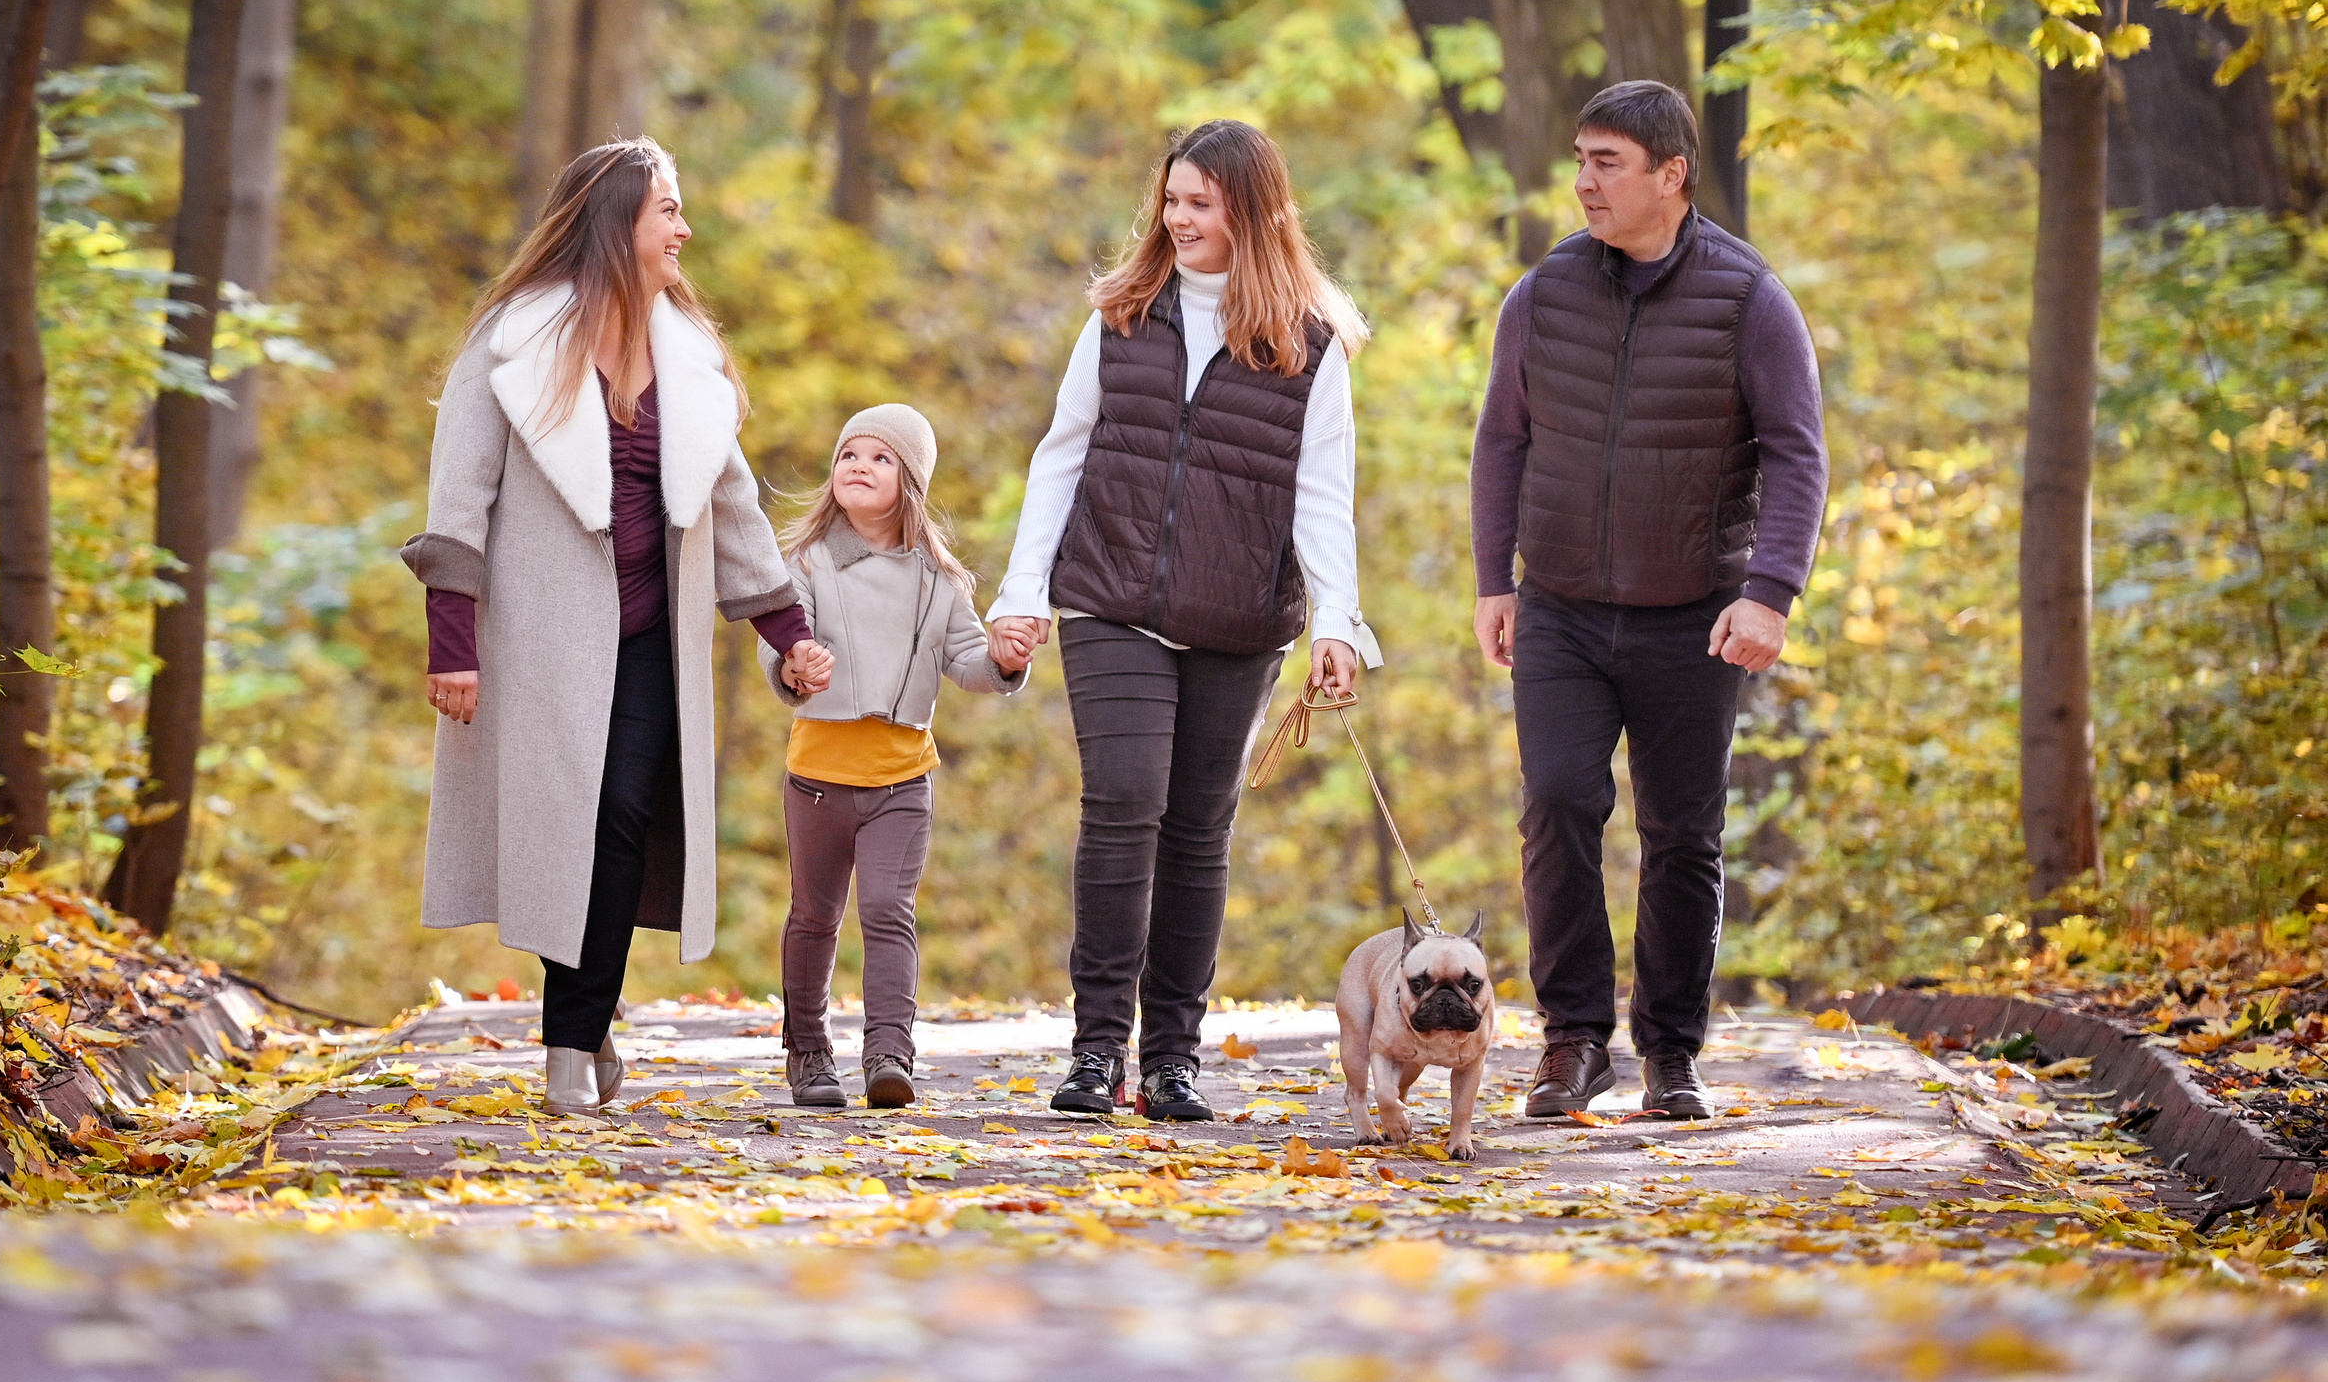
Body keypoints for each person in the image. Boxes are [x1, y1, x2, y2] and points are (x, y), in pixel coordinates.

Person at [403, 137, 836, 1116]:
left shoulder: (688, 354)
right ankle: (576, 1037)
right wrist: (453, 644)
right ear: (618, 224)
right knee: (571, 825)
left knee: (622, 822)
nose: (685, 230)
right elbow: (457, 498)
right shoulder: (511, 342)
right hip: (540, 635)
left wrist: (787, 630)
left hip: (653, 639)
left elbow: (731, 503)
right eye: (668, 212)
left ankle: (578, 1025)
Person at [988, 119, 1379, 1122]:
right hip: (1109, 599)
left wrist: (1338, 618)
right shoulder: (1122, 316)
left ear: (1252, 209)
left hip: (1238, 616)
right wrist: (1022, 590)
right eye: (1171, 200)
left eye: (1201, 202)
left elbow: (1322, 495)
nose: (1180, 219)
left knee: (1198, 831)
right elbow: (1060, 454)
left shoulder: (1311, 346)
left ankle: (1171, 1059)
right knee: (1122, 803)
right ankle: (1093, 1050)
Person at [1470, 80, 1828, 1122]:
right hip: (1563, 610)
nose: (1583, 181)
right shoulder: (1543, 293)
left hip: (1693, 614)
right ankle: (1573, 1041)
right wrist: (1497, 579)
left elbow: (1798, 454)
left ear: (1672, 174)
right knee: (1558, 802)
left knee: (1681, 833)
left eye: (1607, 163)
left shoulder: (1748, 299)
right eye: (1578, 159)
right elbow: (1502, 440)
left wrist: (1769, 593)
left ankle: (1670, 1051)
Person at [761, 404, 1027, 1111]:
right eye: (849, 453)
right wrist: (797, 665)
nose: (859, 466)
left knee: (887, 908)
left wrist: (1000, 659)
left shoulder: (939, 578)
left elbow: (966, 658)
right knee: (814, 914)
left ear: (908, 478)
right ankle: (809, 1050)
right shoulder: (809, 562)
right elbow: (784, 639)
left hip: (901, 777)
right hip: (819, 774)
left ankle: (888, 1052)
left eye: (880, 457)